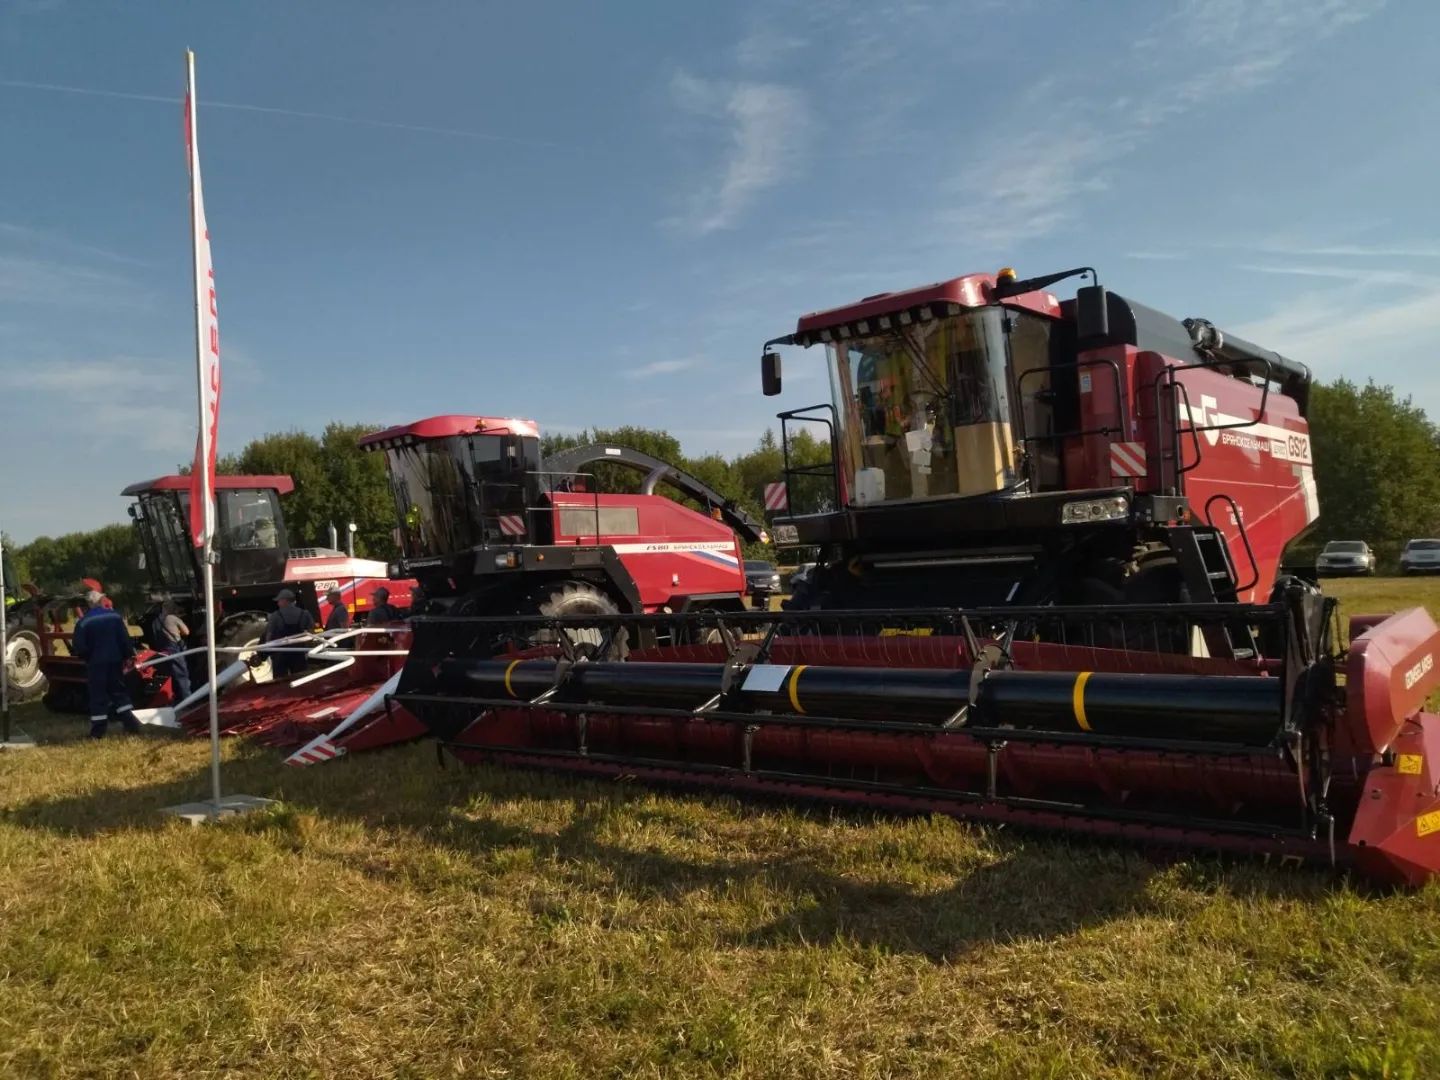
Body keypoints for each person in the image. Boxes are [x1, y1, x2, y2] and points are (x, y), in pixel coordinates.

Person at [71, 590, 139, 738]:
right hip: (115, 661)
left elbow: (79, 646)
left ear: (88, 604)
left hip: (96, 664)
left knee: (98, 695)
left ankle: (98, 732)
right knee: (118, 691)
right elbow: (124, 638)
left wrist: (87, 657)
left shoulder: (84, 622)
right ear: (101, 601)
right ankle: (131, 724)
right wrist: (128, 655)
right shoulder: (115, 617)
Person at [263, 588, 315, 678]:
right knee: (300, 678)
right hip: (298, 653)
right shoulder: (305, 614)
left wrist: (269, 650)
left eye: (279, 601)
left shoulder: (275, 615)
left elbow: (269, 635)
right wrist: (307, 649)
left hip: (280, 654)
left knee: (280, 680)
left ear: (285, 601)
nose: (278, 603)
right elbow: (311, 633)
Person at [154, 599, 192, 701]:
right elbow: (187, 632)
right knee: (182, 674)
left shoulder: (157, 620)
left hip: (164, 650)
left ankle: (176, 699)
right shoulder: (172, 618)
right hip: (175, 648)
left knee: (173, 676)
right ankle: (188, 700)